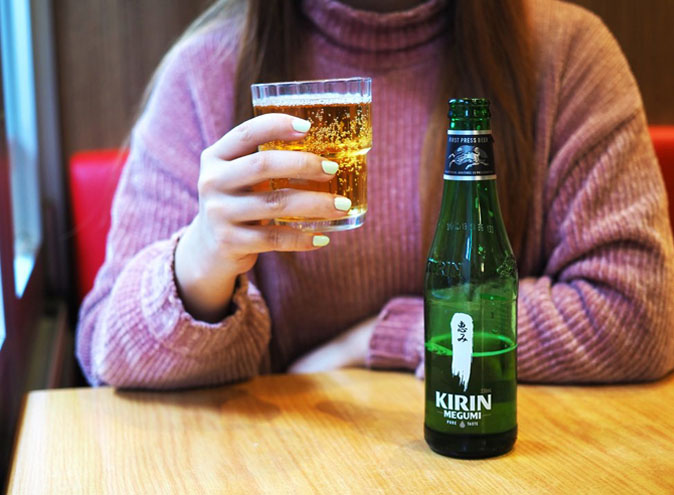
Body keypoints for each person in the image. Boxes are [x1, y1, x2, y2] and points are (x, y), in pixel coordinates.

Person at [76, 0, 674, 389]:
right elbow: (107, 351)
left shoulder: (564, 54)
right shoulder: (206, 70)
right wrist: (203, 259)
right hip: (282, 463)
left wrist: (379, 340)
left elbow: (641, 314)